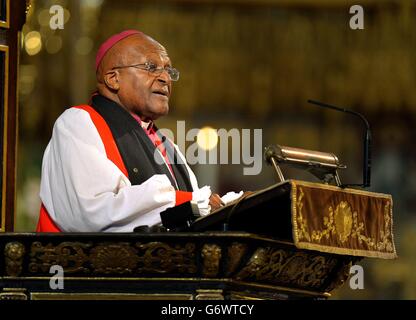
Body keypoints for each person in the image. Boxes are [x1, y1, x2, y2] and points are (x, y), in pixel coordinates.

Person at [36, 30, 227, 232]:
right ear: (113, 78)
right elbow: (91, 212)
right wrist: (192, 203)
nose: (165, 78)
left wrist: (228, 207)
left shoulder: (167, 144)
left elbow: (197, 210)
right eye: (151, 67)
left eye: (168, 70)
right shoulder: (78, 123)